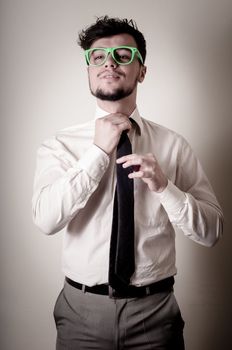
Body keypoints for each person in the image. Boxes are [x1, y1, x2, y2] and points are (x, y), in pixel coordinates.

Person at [32, 16, 223, 350]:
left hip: (155, 313)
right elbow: (46, 220)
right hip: (81, 314)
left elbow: (211, 232)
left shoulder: (174, 146)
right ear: (89, 70)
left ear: (141, 71)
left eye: (123, 55)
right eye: (98, 56)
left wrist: (165, 187)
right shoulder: (58, 145)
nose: (109, 62)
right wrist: (96, 152)